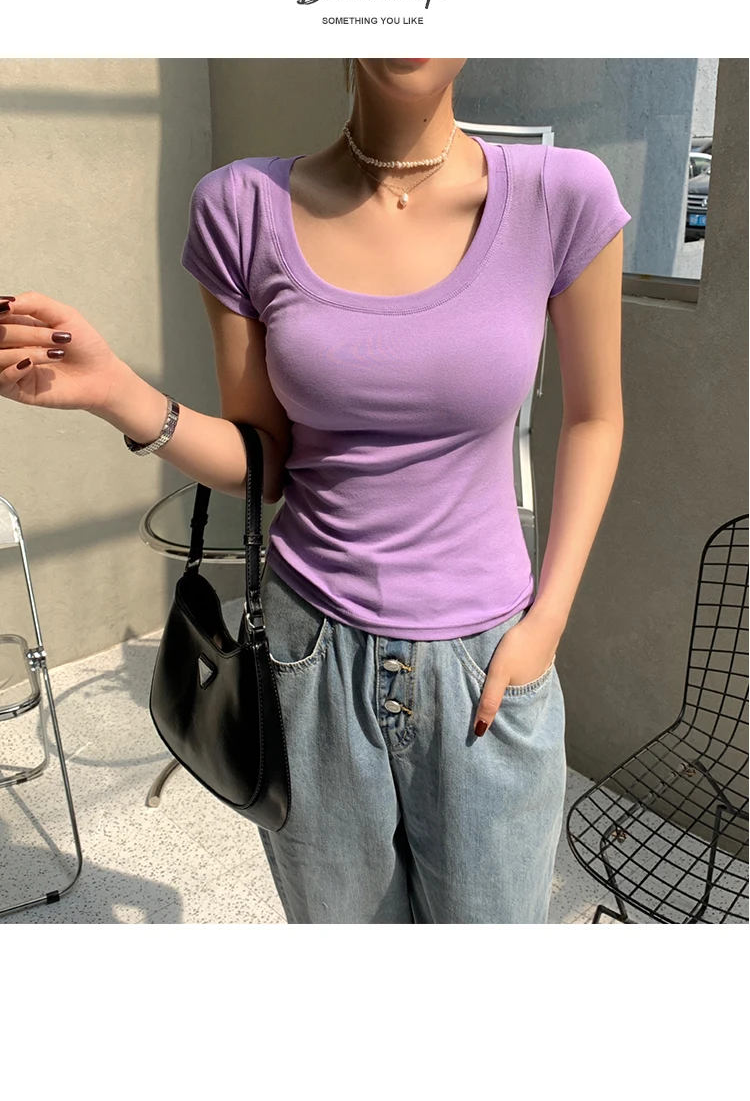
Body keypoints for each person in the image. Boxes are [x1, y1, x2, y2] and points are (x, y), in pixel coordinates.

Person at [0, 58, 630, 923]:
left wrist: (547, 621)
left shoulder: (562, 195)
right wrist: (118, 392)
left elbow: (595, 417)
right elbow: (266, 458)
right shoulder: (241, 206)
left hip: (487, 664)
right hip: (308, 656)